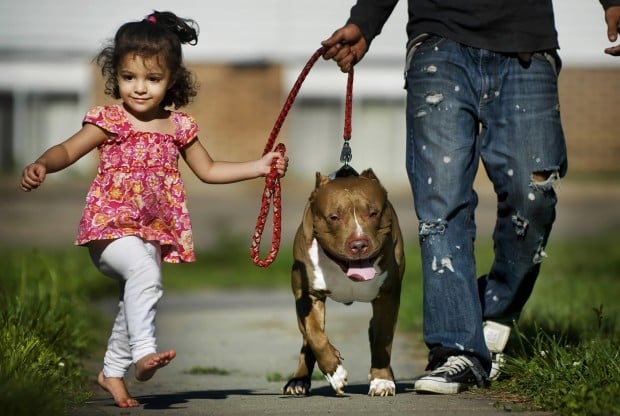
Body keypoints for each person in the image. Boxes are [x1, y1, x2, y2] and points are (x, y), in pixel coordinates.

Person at [322, 0, 620, 394]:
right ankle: (455, 351)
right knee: (441, 209)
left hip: (525, 43)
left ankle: (489, 311)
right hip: (439, 43)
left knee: (533, 197)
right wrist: (366, 20)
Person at [20, 11, 287, 408]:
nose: (139, 88)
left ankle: (112, 371)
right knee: (145, 276)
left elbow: (209, 170)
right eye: (129, 78)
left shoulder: (179, 127)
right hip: (108, 230)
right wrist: (44, 163)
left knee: (141, 293)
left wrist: (260, 166)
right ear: (116, 76)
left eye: (152, 79)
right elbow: (67, 149)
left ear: (172, 80)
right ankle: (144, 353)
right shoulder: (109, 120)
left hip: (150, 234)